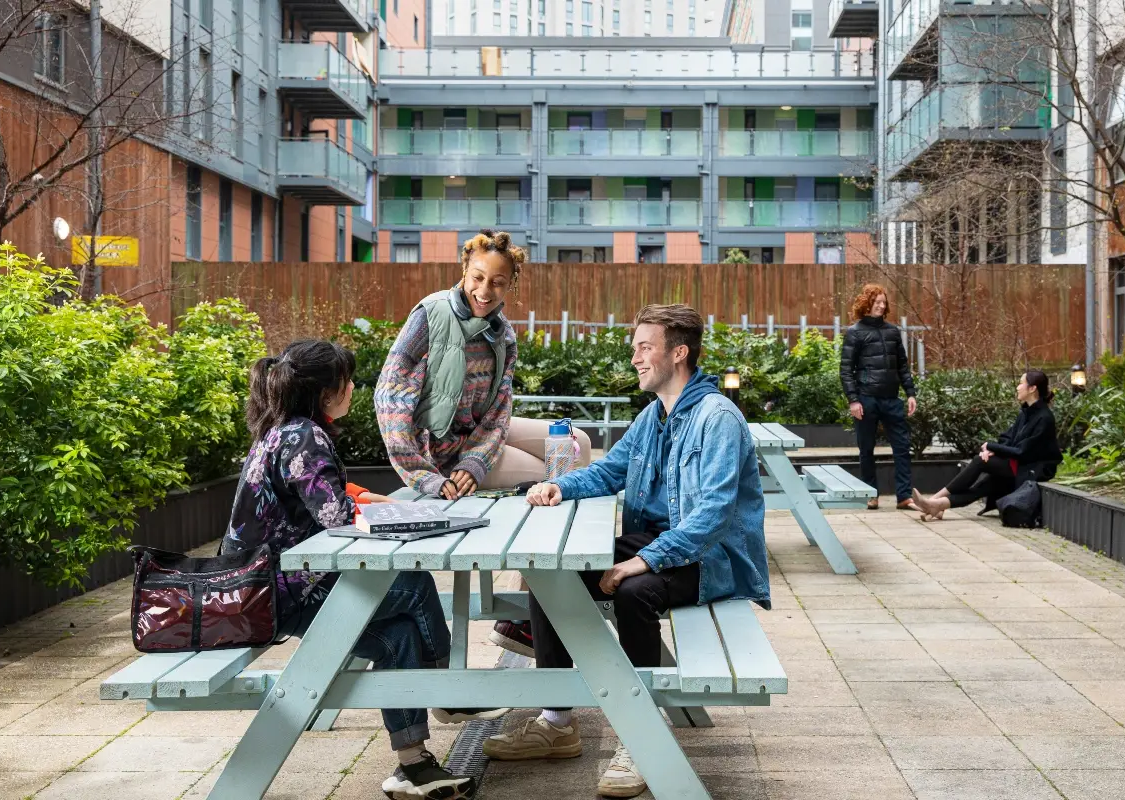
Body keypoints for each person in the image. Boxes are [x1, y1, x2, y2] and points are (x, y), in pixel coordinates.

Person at [482, 304, 770, 799]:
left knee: (634, 590)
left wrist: (643, 560)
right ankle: (556, 721)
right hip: (658, 543)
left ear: (678, 353)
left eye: (644, 347)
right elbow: (611, 471)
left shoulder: (717, 417)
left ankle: (642, 736)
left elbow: (714, 514)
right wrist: (561, 487)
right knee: (555, 571)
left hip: (710, 558)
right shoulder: (654, 415)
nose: (634, 357)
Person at [222, 339, 484, 800]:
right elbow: (336, 519)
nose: (354, 388)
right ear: (328, 391)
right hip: (280, 590)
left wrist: (371, 503)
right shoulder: (304, 435)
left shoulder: (279, 427)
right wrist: (397, 517)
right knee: (416, 585)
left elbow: (325, 498)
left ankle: (413, 766)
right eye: (349, 380)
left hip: (259, 588)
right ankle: (448, 691)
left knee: (399, 636)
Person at [374, 229, 590, 659]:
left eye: (497, 282)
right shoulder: (430, 316)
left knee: (577, 442)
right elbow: (390, 397)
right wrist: (426, 478)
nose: (484, 290)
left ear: (511, 283)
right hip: (438, 453)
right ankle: (532, 614)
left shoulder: (502, 333)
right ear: (463, 272)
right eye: (477, 278)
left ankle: (527, 605)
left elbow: (499, 412)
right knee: (557, 480)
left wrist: (475, 464)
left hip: (473, 443)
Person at [912, 369, 1063, 520]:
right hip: (1018, 464)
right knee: (983, 486)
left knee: (979, 461)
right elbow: (1007, 438)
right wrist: (993, 451)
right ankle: (938, 506)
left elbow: (1022, 451)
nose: (1017, 387)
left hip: (1031, 469)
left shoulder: (1044, 418)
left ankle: (933, 499)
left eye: (1021, 383)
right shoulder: (1026, 413)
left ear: (1032, 388)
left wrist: (991, 447)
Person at [840, 283, 917, 510]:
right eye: (877, 302)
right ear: (867, 304)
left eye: (884, 302)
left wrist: (910, 393)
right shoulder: (855, 333)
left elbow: (902, 366)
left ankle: (904, 496)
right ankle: (871, 494)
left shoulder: (893, 332)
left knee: (902, 447)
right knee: (866, 449)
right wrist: (853, 400)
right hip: (866, 399)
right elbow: (846, 370)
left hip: (891, 399)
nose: (881, 306)